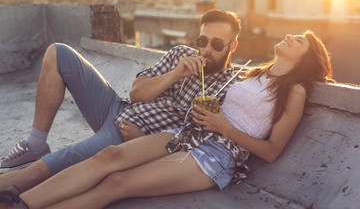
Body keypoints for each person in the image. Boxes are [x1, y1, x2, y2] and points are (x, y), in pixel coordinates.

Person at [0, 30, 334, 209]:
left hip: (216, 154)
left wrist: (223, 127)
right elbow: (153, 95)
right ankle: (20, 201)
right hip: (187, 131)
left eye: (299, 40)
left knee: (117, 184)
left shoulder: (295, 91)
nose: (290, 37)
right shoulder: (249, 74)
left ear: (306, 57)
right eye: (293, 34)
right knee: (109, 157)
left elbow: (272, 150)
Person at [0, 9, 241, 193]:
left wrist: (143, 142)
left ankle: (19, 180)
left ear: (233, 46)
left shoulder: (229, 87)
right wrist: (175, 74)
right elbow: (136, 93)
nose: (207, 49)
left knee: (68, 156)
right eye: (202, 41)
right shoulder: (181, 54)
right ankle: (35, 143)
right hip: (117, 108)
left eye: (217, 44)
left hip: (129, 135)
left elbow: (194, 142)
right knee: (59, 52)